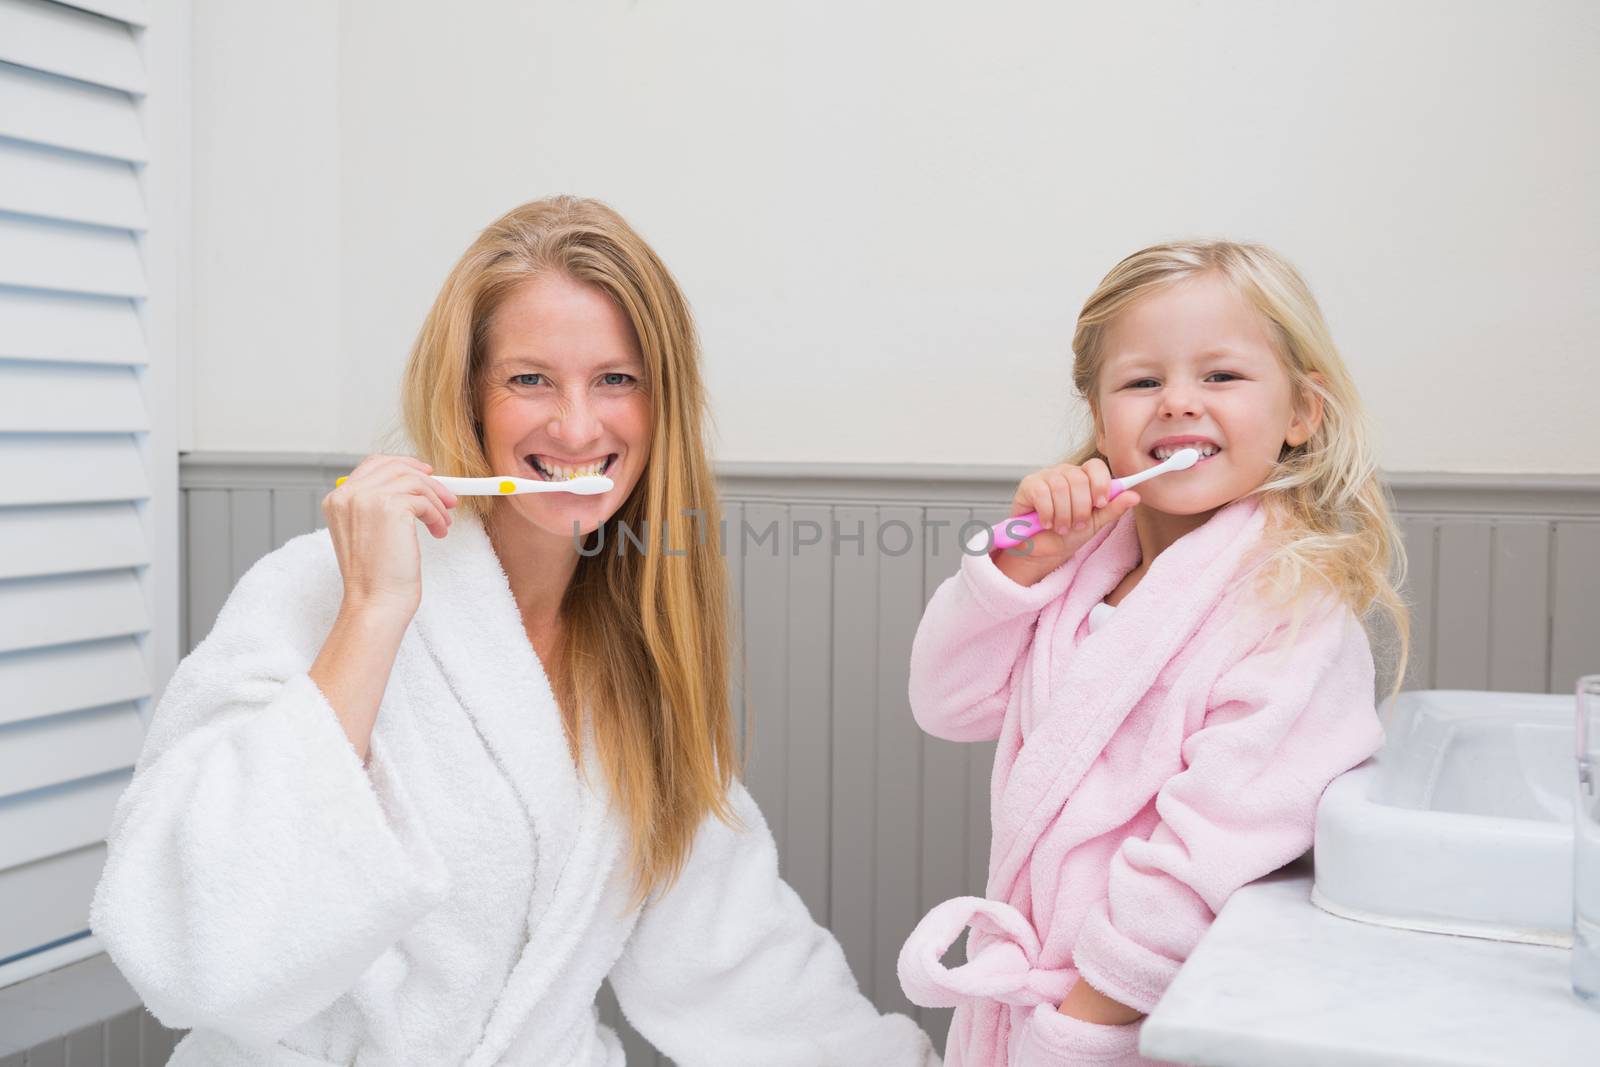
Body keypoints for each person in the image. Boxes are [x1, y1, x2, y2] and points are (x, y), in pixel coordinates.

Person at [90, 196, 940, 1067]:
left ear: (661, 403)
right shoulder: (319, 588)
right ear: (469, 399)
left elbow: (741, 963)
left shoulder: (636, 658)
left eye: (616, 378)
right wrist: (372, 616)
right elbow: (192, 948)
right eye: (529, 379)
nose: (577, 426)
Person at [896, 241, 1410, 1065]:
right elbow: (946, 702)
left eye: (1221, 377)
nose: (1178, 403)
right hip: (1043, 1007)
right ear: (1102, 420)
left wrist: (1080, 1028)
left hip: (1143, 1020)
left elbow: (1205, 854)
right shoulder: (1075, 572)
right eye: (1142, 381)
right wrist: (1024, 558)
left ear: (1301, 414)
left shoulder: (1291, 608)